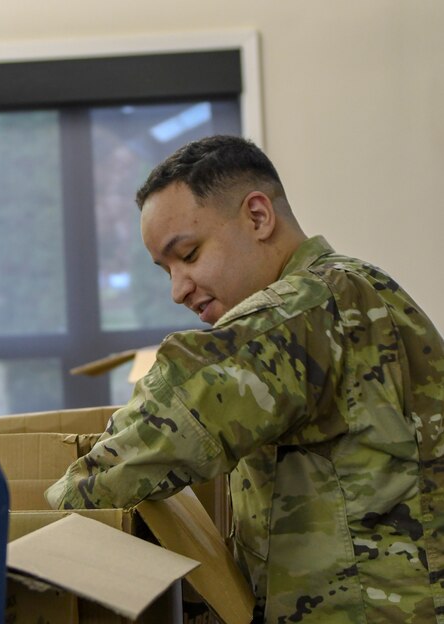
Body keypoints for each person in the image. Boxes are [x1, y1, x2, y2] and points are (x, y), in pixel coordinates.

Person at [45, 135, 444, 623]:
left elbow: (168, 418)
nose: (177, 289)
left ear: (258, 216)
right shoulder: (361, 288)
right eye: (165, 269)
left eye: (188, 254)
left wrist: (47, 510)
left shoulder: (305, 309)